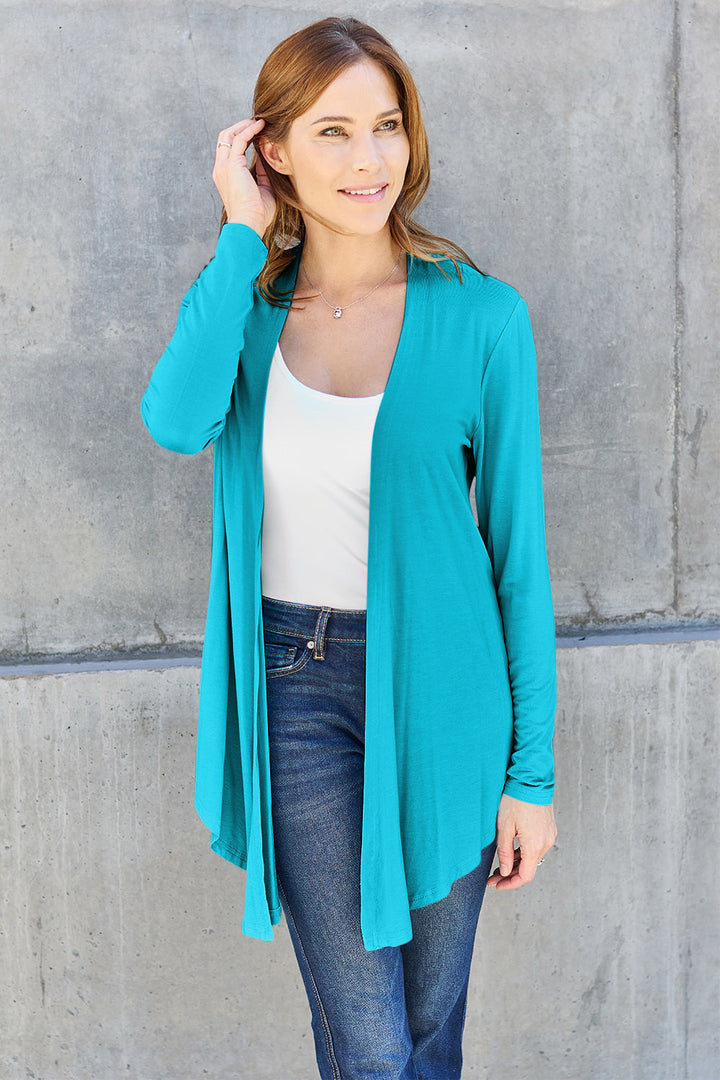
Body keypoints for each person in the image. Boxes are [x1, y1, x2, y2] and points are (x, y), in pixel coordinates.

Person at [141, 15, 557, 1080]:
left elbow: (519, 560)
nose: (370, 159)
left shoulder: (483, 318)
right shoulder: (250, 306)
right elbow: (176, 422)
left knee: (428, 1027)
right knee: (369, 1043)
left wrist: (532, 778)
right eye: (332, 132)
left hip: (450, 698)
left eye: (386, 127)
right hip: (296, 690)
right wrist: (241, 234)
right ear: (270, 148)